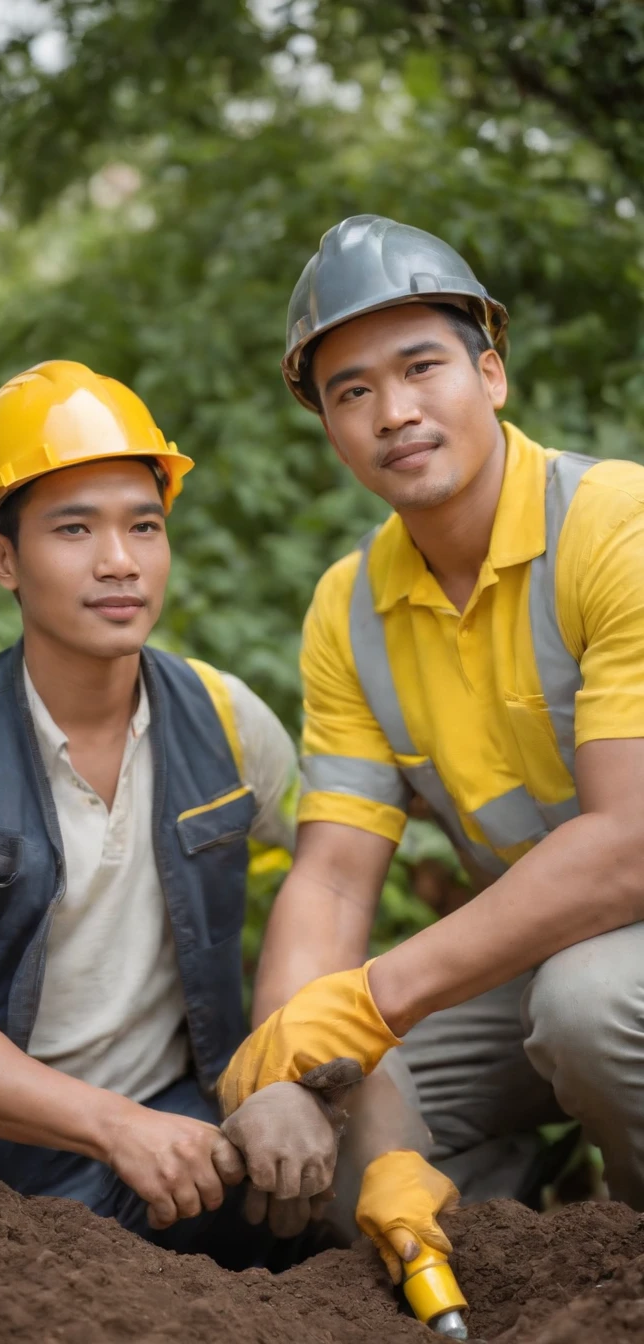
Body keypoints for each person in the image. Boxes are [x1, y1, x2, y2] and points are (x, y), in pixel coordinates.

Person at [218, 214, 644, 1270]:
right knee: (332, 1127)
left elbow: (630, 842)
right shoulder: (350, 609)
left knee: (587, 1007)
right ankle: (502, 1269)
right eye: (351, 391)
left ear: (490, 374)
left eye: (421, 368)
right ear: (326, 424)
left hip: (602, 973)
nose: (394, 412)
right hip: (541, 963)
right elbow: (328, 883)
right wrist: (286, 1069)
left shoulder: (616, 527)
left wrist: (369, 1000)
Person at [0, 358, 329, 1270]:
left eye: (144, 526)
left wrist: (285, 1068)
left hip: (187, 1118)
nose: (119, 561)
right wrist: (117, 1128)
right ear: (3, 557)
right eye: (74, 528)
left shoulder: (226, 717)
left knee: (351, 1170)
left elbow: (331, 871)